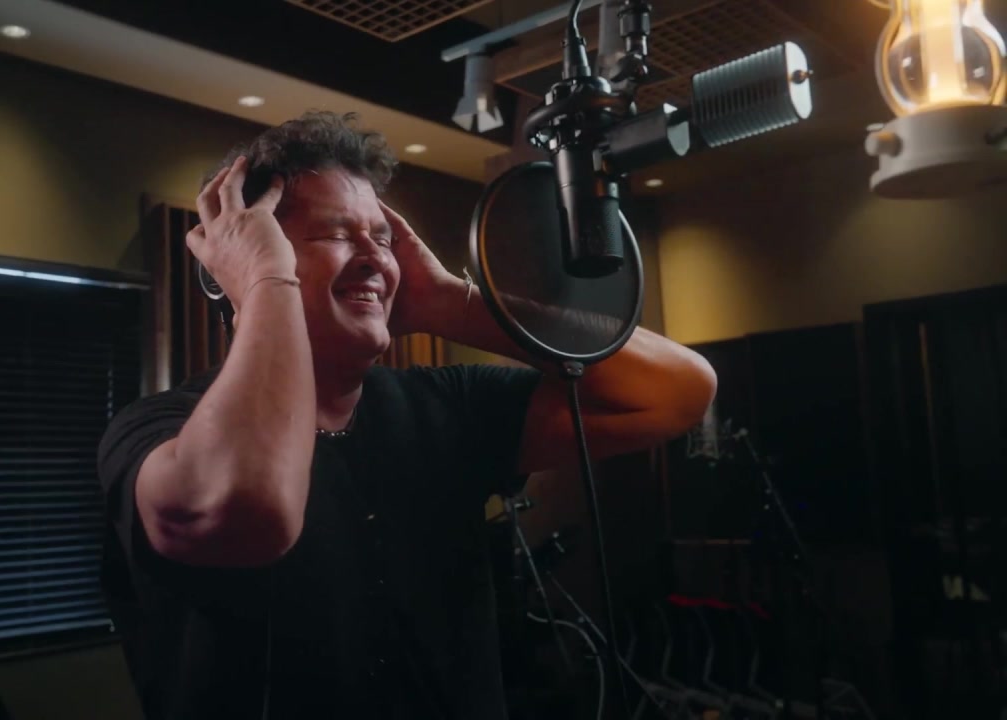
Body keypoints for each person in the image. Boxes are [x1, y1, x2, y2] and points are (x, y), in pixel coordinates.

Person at [97, 111, 717, 720]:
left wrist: (453, 303)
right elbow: (249, 510)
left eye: (383, 238)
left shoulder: (448, 406)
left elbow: (679, 391)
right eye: (337, 234)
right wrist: (264, 282)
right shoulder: (155, 431)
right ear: (237, 261)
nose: (375, 257)